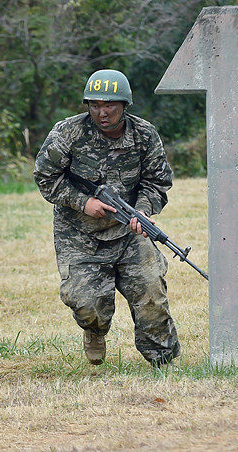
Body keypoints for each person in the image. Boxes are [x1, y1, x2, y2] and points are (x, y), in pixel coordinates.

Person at [34, 69, 180, 368]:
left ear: (124, 105)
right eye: (95, 105)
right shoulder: (68, 133)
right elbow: (45, 176)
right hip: (79, 234)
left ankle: (163, 361)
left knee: (151, 293)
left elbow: (158, 181)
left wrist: (142, 210)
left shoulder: (144, 134)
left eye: (110, 105)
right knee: (87, 304)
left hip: (130, 233)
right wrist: (83, 202)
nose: (102, 112)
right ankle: (94, 331)